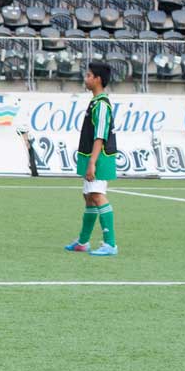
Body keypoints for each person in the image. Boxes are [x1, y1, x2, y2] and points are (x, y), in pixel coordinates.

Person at [65, 61, 118, 257]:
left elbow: (100, 136)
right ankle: (83, 242)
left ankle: (110, 244)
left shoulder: (102, 105)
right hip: (91, 156)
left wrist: (92, 162)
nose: (85, 79)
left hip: (100, 158)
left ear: (97, 79)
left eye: (88, 75)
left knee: (96, 195)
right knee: (88, 197)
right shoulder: (96, 102)